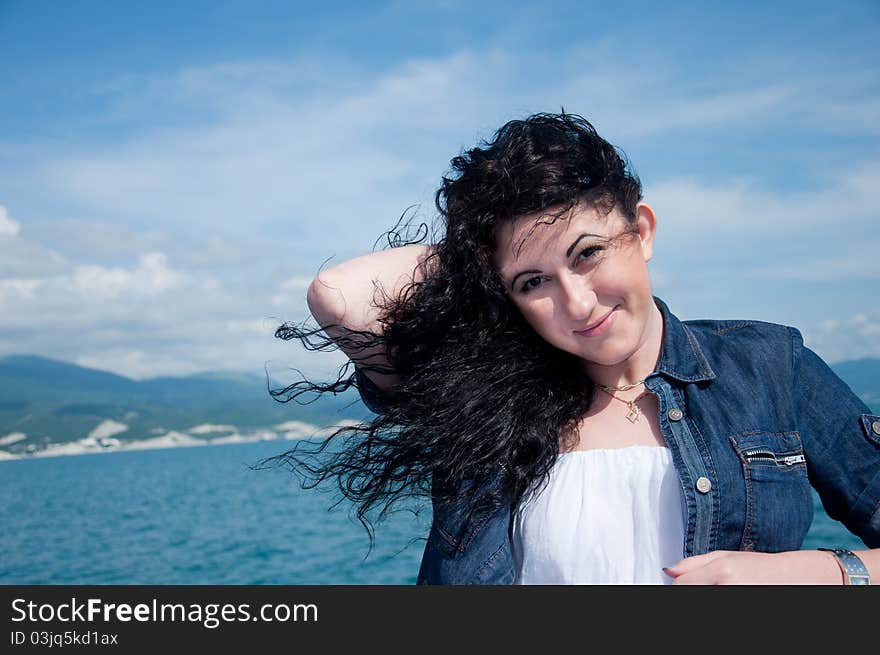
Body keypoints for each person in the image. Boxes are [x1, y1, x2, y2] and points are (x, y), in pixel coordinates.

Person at [279, 111, 880, 584]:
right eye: (533, 282)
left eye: (587, 253)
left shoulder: (768, 366)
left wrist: (809, 573)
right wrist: (476, 254)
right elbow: (340, 295)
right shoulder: (482, 395)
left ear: (641, 231)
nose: (578, 303)